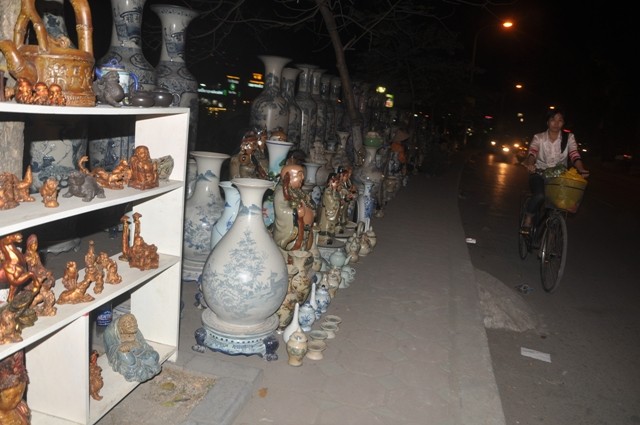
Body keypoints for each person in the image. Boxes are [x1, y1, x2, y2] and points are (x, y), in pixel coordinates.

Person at [520, 109, 589, 232]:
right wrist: (530, 164)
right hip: (539, 173)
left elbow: (574, 155)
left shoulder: (569, 138)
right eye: (553, 119)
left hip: (559, 176)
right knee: (540, 195)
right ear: (547, 122)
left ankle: (552, 228)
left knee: (567, 199)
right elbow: (532, 153)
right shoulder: (539, 137)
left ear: (563, 123)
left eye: (560, 120)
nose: (556, 123)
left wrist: (581, 169)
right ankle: (529, 216)